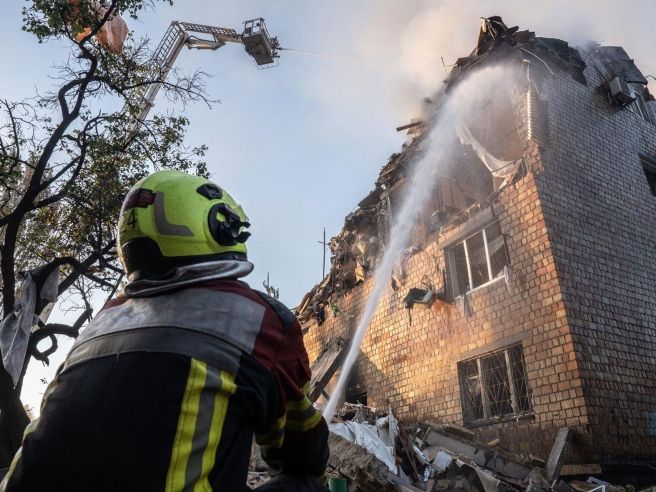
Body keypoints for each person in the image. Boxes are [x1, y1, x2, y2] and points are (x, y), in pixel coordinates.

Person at [1, 170, 329, 491]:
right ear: (216, 227)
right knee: (308, 484)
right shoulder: (258, 317)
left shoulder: (103, 321)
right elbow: (302, 451)